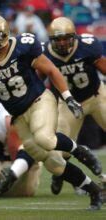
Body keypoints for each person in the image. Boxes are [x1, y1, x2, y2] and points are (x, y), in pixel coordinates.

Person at [0, 14, 102, 210]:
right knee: (53, 164)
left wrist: (68, 97)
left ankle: (80, 151)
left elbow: (51, 70)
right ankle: (93, 190)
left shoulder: (22, 47)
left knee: (45, 138)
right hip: (18, 116)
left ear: (4, 35)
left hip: (39, 101)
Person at [43, 17, 106, 195]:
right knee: (62, 147)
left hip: (96, 96)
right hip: (68, 102)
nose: (62, 43)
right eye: (58, 39)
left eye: (66, 38)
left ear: (74, 37)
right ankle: (61, 174)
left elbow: (103, 67)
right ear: (51, 40)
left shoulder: (87, 46)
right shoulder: (45, 53)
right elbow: (38, 81)